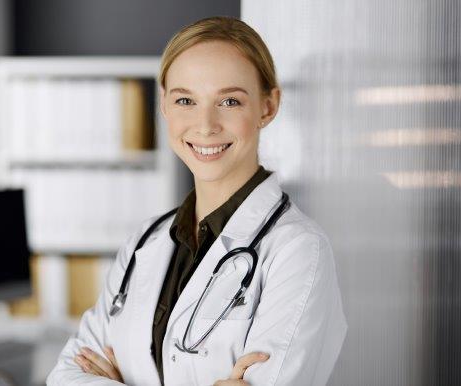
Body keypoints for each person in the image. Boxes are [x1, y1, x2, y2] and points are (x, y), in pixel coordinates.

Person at [46, 16, 347, 386]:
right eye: (186, 100)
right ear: (165, 106)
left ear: (268, 107)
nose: (205, 125)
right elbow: (65, 376)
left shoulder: (298, 252)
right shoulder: (146, 241)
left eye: (230, 101)